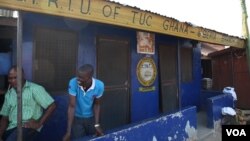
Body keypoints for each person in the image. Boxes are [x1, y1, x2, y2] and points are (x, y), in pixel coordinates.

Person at [0, 66, 56, 141]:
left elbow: (52, 106)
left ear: (22, 76)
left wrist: (39, 123)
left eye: (16, 77)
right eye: (10, 78)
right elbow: (4, 117)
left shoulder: (35, 89)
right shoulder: (9, 94)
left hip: (27, 127)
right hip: (11, 129)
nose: (12, 80)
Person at [63, 64, 104, 141]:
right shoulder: (73, 82)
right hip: (77, 119)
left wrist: (97, 124)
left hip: (91, 118)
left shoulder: (99, 85)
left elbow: (97, 104)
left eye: (81, 78)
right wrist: (68, 132)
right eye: (78, 76)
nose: (78, 79)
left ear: (89, 77)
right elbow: (72, 106)